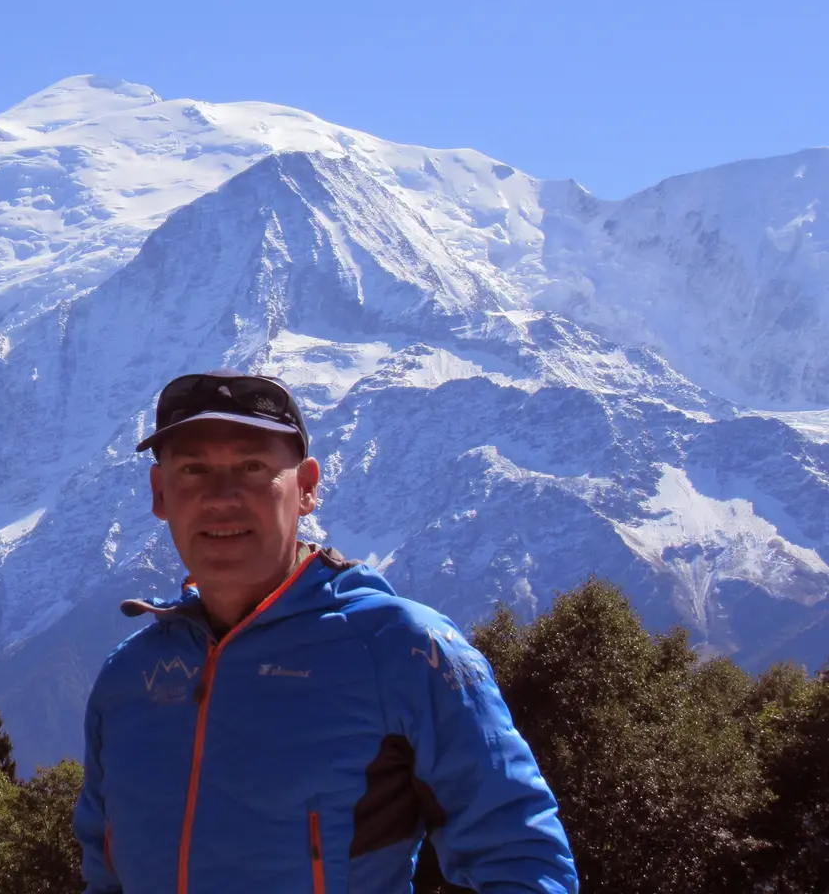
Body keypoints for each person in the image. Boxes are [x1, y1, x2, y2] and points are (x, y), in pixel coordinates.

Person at [73, 371, 576, 893]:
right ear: (160, 493)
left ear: (307, 487)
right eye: (193, 470)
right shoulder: (128, 677)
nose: (221, 497)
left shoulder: (401, 648)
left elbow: (522, 858)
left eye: (252, 467)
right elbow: (104, 877)